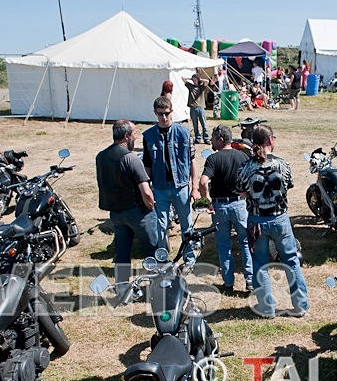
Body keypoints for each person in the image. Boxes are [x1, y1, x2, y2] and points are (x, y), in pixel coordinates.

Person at [235, 125, 308, 318]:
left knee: (259, 264)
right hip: (280, 218)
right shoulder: (283, 165)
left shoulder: (245, 167)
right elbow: (288, 186)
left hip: (257, 220)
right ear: (270, 140)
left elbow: (241, 192)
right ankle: (300, 305)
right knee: (291, 261)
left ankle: (267, 308)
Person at [96, 120, 158, 294]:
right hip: (138, 213)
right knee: (152, 250)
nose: (136, 137)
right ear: (126, 136)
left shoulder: (101, 156)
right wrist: (151, 207)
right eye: (134, 133)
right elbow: (146, 192)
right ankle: (156, 286)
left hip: (116, 213)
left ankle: (121, 287)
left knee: (122, 253)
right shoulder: (130, 159)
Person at [142, 96, 199, 261]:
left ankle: (189, 258)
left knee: (186, 224)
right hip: (159, 188)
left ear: (171, 111)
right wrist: (147, 188)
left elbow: (192, 162)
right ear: (155, 113)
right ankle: (162, 258)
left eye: (166, 113)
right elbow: (147, 165)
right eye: (160, 114)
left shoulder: (184, 132)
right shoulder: (148, 136)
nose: (164, 117)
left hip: (181, 186)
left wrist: (194, 187)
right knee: (161, 226)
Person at [199, 125, 253, 293]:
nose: (211, 141)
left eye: (213, 138)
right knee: (246, 243)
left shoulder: (213, 159)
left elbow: (202, 182)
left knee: (224, 246)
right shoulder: (242, 156)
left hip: (220, 206)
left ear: (220, 140)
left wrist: (206, 200)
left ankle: (228, 283)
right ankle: (250, 281)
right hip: (239, 204)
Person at [183, 71, 211, 144]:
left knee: (204, 124)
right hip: (192, 108)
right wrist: (190, 78)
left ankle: (206, 138)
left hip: (201, 107)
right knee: (195, 124)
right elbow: (183, 79)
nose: (194, 81)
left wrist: (200, 79)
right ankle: (198, 138)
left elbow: (207, 81)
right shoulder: (190, 86)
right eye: (193, 80)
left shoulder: (201, 87)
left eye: (195, 80)